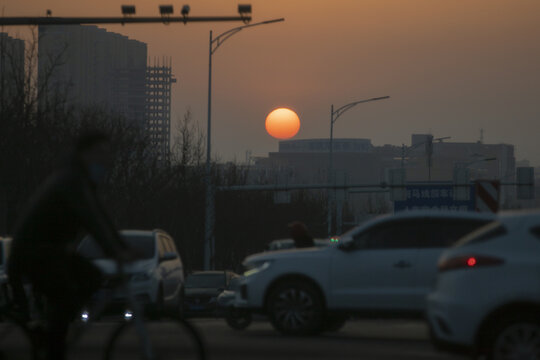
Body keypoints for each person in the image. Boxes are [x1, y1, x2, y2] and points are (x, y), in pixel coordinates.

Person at [7, 131, 130, 360]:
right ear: (85, 154)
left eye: (107, 153)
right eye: (100, 153)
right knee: (65, 297)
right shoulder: (71, 181)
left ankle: (54, 330)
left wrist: (122, 247)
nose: (105, 159)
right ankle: (54, 345)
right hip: (34, 253)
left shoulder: (82, 181)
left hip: (49, 251)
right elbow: (91, 220)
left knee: (91, 277)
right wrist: (115, 251)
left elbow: (101, 217)